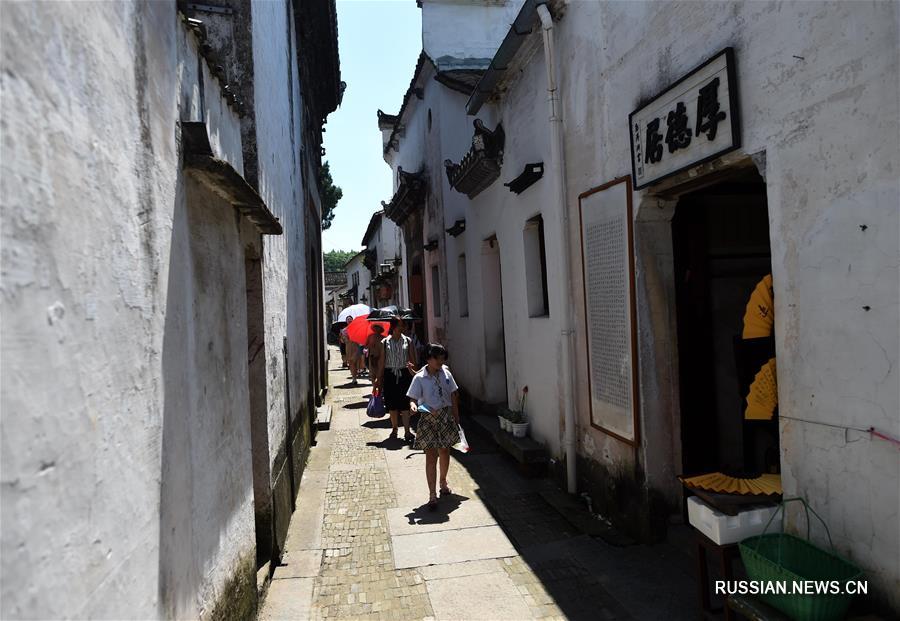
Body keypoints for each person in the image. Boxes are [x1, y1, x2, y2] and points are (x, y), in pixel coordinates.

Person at [407, 343, 460, 510]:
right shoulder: (419, 377)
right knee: (431, 456)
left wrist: (456, 419)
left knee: (445, 451)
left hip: (445, 417)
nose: (441, 362)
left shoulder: (446, 373)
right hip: (428, 418)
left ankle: (443, 482)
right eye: (438, 359)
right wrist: (413, 406)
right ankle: (432, 494)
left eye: (442, 359)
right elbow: (413, 398)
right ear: (429, 359)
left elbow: (453, 395)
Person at [377, 317, 417, 442]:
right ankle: (394, 428)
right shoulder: (385, 342)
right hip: (390, 374)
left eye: (402, 325)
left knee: (405, 404)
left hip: (404, 374)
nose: (402, 328)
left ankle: (407, 431)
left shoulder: (408, 341)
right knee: (392, 405)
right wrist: (378, 379)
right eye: (399, 325)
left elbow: (412, 359)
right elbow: (382, 362)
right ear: (393, 327)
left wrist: (415, 374)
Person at [365, 324, 385, 390]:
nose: (376, 329)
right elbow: (366, 346)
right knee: (372, 375)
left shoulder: (384, 338)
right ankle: (374, 388)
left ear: (380, 330)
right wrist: (370, 345)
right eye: (375, 327)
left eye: (378, 328)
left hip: (380, 358)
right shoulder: (370, 336)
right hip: (372, 357)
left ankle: (380, 389)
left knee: (380, 374)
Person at [340, 316, 359, 385]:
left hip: (355, 347)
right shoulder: (344, 330)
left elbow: (358, 338)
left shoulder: (356, 328)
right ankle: (354, 377)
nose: (349, 320)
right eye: (348, 320)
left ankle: (354, 377)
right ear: (346, 321)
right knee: (350, 363)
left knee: (354, 362)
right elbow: (342, 341)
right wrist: (343, 337)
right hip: (348, 347)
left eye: (351, 319)